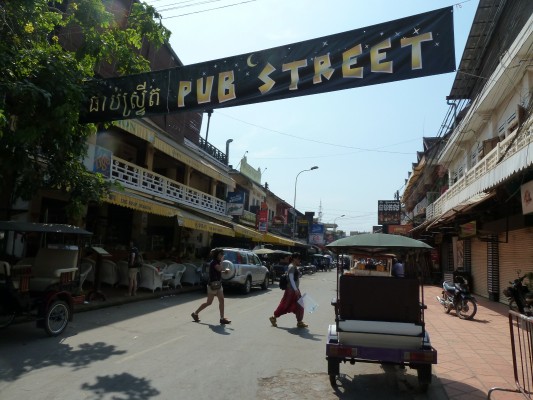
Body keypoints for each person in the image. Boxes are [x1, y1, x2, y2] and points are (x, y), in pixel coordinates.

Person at [191, 248, 231, 325]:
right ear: (217, 255)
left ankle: (222, 318)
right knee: (209, 302)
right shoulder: (214, 262)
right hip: (212, 285)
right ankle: (195, 313)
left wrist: (224, 271)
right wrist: (222, 261)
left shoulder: (217, 262)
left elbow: (218, 271)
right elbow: (219, 269)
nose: (222, 255)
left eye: (223, 254)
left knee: (222, 300)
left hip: (218, 284)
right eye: (221, 254)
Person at [269, 252, 308, 328]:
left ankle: (299, 321)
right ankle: (274, 317)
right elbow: (291, 279)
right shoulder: (291, 267)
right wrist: (296, 290)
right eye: (298, 259)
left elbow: (295, 277)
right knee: (285, 305)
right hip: (291, 290)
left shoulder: (294, 266)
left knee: (300, 305)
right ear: (294, 259)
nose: (299, 260)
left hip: (295, 289)